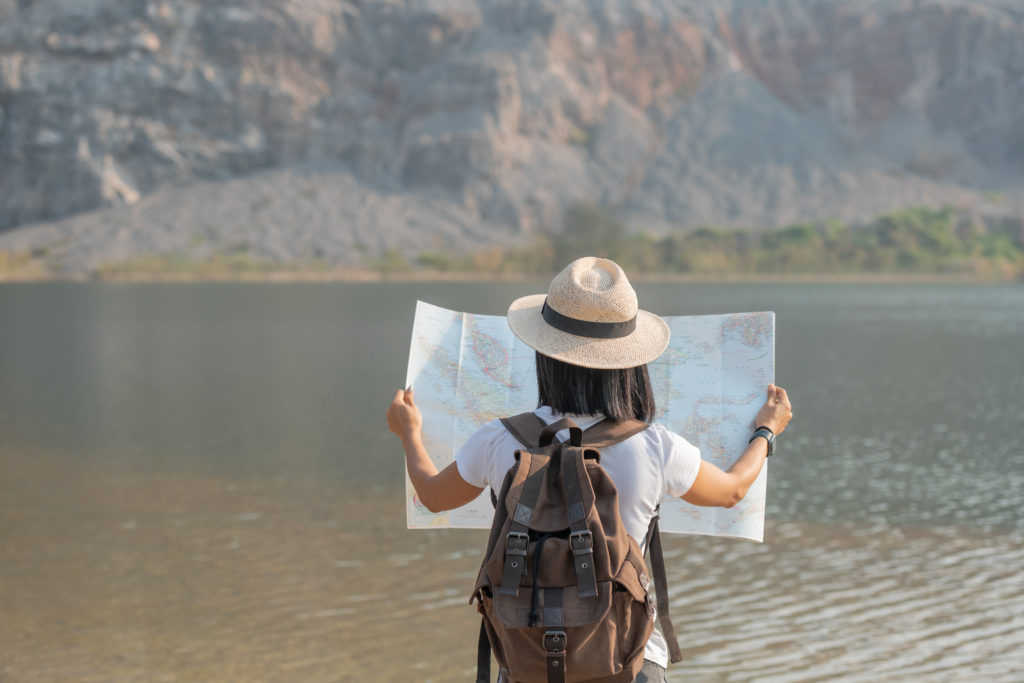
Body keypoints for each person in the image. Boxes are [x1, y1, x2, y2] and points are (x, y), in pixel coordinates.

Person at [387, 257, 793, 683]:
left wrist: (409, 434)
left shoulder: (498, 439)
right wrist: (766, 431)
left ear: (544, 355)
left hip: (525, 660)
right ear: (629, 364)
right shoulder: (655, 445)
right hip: (629, 661)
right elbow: (731, 490)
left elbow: (433, 496)